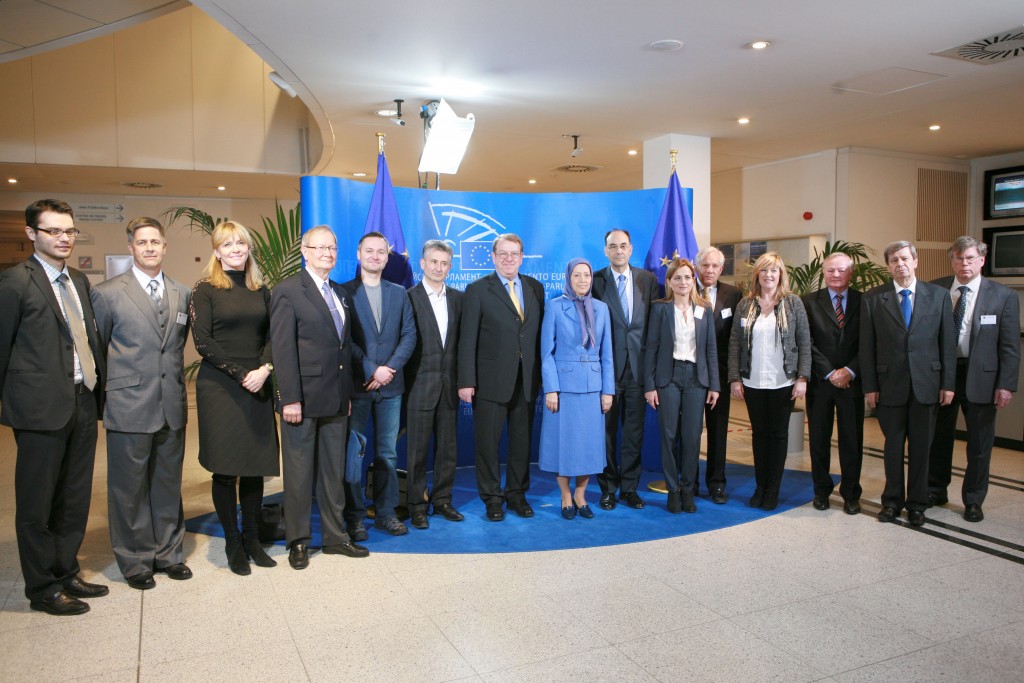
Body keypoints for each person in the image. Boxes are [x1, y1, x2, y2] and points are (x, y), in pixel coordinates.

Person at [0, 199, 108, 616]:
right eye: (53, 231)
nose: (63, 238)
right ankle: (42, 587)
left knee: (74, 496)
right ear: (32, 234)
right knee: (36, 504)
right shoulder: (14, 283)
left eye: (69, 231)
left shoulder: (78, 280)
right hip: (39, 410)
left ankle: (66, 571)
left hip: (82, 401)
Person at [92, 217, 192, 590]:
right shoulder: (107, 293)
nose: (150, 247)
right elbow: (99, 350)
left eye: (156, 241)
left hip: (171, 404)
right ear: (131, 247)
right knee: (128, 488)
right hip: (127, 404)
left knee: (166, 483)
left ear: (165, 248)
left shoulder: (182, 292)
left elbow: (174, 347)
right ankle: (135, 560)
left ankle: (168, 553)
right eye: (142, 242)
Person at [270, 225, 368, 569]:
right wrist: (289, 399)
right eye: (320, 247)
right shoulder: (287, 291)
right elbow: (282, 350)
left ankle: (334, 536)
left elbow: (342, 348)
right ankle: (298, 540)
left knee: (332, 472)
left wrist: (348, 394)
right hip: (303, 400)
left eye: (332, 248)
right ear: (304, 250)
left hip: (338, 399)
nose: (327, 253)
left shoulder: (340, 293)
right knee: (298, 475)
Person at [190, 221, 280, 576]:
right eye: (228, 245)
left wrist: (264, 368)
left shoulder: (261, 289)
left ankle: (253, 539)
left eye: (241, 243)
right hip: (221, 387)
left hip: (258, 381)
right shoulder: (205, 289)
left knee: (255, 466)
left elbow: (274, 334)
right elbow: (202, 341)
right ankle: (232, 542)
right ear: (216, 251)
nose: (236, 249)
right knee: (226, 470)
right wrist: (242, 374)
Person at [861, 240, 955, 527]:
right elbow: (868, 346)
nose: (899, 264)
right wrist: (870, 387)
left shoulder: (938, 296)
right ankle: (892, 501)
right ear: (888, 266)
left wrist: (947, 384)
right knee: (892, 448)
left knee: (921, 448)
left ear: (916, 261)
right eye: (894, 260)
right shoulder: (873, 298)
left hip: (927, 384)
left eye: (904, 259)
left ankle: (917, 504)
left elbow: (947, 343)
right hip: (889, 385)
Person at [927, 236, 1019, 523]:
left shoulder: (1003, 296)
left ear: (982, 259)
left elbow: (1009, 346)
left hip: (982, 378)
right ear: (951, 260)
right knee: (937, 437)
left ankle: (974, 500)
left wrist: (1006, 384)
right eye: (958, 258)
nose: (964, 264)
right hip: (943, 374)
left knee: (980, 443)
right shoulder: (935, 289)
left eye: (970, 258)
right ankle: (935, 490)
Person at [459, 233, 544, 522]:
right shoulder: (478, 290)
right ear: (493, 257)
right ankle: (493, 499)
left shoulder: (535, 288)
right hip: (489, 382)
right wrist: (466, 381)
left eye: (515, 254)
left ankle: (517, 495)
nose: (509, 259)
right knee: (487, 444)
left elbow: (537, 337)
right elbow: (467, 339)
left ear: (522, 257)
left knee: (521, 444)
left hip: (527, 380)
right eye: (503, 254)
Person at [342, 231, 417, 537]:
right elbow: (343, 339)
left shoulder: (400, 293)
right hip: (358, 386)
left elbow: (409, 334)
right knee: (354, 454)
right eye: (369, 251)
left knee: (387, 453)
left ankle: (386, 513)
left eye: (381, 252)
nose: (375, 256)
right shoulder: (342, 292)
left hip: (391, 389)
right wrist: (372, 369)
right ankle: (356, 516)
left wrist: (389, 369)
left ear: (388, 257)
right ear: (359, 254)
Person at [728, 251, 811, 512]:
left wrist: (802, 377)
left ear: (781, 275)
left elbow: (804, 343)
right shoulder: (745, 304)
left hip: (782, 382)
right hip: (752, 381)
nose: (769, 275)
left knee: (777, 435)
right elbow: (735, 344)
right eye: (764, 270)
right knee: (759, 435)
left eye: (774, 270)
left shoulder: (793, 303)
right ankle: (760, 486)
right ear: (757, 275)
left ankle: (773, 488)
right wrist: (734, 378)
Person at [539, 258, 615, 519]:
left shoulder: (602, 309)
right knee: (564, 444)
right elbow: (546, 353)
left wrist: (608, 390)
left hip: (593, 387)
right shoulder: (555, 307)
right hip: (564, 387)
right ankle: (566, 496)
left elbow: (607, 353)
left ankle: (581, 494)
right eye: (577, 276)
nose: (582, 280)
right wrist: (551, 388)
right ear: (568, 278)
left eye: (587, 275)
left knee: (587, 445)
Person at [644, 258, 721, 513]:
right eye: (677, 278)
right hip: (668, 378)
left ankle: (688, 490)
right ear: (669, 282)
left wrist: (714, 386)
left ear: (694, 280)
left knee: (691, 438)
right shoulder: (659, 309)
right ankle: (673, 490)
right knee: (668, 436)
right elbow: (651, 349)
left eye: (687, 277)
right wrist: (650, 385)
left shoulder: (705, 309)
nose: (683, 282)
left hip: (697, 379)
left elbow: (711, 350)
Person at [591, 229, 657, 510]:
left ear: (631, 249)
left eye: (623, 246)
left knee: (634, 433)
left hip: (639, 372)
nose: (618, 251)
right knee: (604, 433)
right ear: (605, 250)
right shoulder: (594, 281)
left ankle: (630, 488)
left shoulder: (648, 280)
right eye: (612, 246)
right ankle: (607, 488)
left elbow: (654, 327)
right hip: (606, 371)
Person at [404, 240, 464, 529]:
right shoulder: (408, 297)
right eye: (434, 262)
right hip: (418, 386)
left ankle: (442, 500)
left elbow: (463, 346)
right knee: (417, 451)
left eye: (445, 263)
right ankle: (416, 504)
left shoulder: (459, 299)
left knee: (448, 450)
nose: (439, 268)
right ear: (423, 264)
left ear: (450, 267)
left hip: (450, 387)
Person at [802, 252, 864, 515]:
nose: (835, 275)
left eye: (841, 270)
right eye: (830, 271)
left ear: (851, 273)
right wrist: (830, 372)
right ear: (823, 273)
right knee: (819, 439)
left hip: (853, 381)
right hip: (821, 382)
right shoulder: (808, 302)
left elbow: (870, 341)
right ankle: (821, 491)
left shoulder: (865, 301)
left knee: (852, 439)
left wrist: (850, 370)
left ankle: (851, 493)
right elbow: (807, 342)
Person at [695, 246, 743, 504]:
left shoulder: (733, 294)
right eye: (705, 265)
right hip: (690, 375)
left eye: (715, 266)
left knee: (718, 431)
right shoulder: (683, 289)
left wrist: (736, 375)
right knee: (690, 432)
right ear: (697, 267)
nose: (710, 270)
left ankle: (716, 484)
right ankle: (689, 481)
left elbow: (737, 337)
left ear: (721, 269)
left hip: (720, 375)